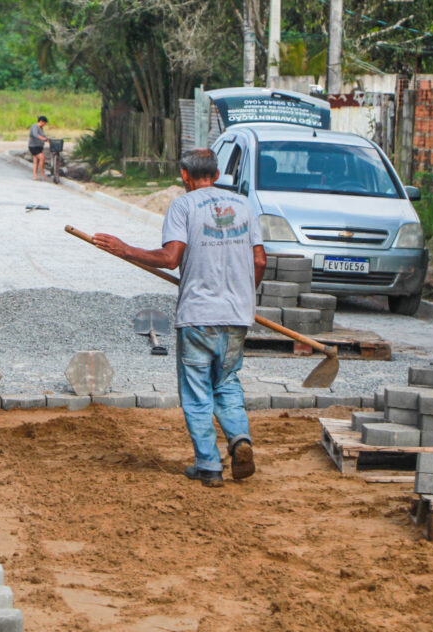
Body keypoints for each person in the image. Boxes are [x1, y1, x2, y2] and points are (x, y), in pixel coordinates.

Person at [91, 148, 266, 488]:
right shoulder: (245, 205)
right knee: (227, 382)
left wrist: (126, 249)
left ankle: (209, 465)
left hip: (198, 316)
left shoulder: (183, 206)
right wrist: (245, 297)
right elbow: (259, 262)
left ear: (185, 176)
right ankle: (239, 438)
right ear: (215, 174)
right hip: (236, 317)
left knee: (197, 391)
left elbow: (171, 258)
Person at [28, 115, 48, 180]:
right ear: (41, 121)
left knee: (36, 161)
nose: (45, 124)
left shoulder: (41, 128)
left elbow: (44, 136)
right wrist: (43, 138)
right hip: (33, 146)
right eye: (44, 123)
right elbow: (35, 135)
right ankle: (42, 173)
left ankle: (35, 175)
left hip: (39, 147)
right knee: (42, 157)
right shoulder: (34, 126)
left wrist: (47, 139)